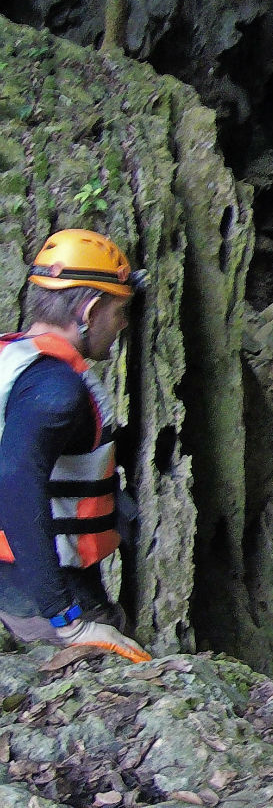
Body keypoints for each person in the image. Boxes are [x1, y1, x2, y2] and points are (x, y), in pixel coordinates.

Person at [0, 229, 150, 663]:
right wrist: (68, 620)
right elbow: (14, 476)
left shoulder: (13, 360)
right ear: (89, 310)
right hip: (41, 597)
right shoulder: (56, 390)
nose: (123, 325)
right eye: (120, 312)